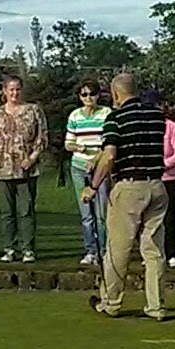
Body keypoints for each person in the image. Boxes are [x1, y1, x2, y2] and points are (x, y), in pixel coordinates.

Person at [84, 72, 168, 320]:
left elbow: (111, 154)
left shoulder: (116, 118)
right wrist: (99, 158)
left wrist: (93, 186)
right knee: (153, 250)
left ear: (116, 93)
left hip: (129, 186)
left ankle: (111, 302)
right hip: (157, 185)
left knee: (118, 249)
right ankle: (156, 306)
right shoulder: (157, 115)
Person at [0, 74, 47, 262]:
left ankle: (28, 249)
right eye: (11, 89)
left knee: (26, 210)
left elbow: (42, 138)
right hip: (3, 169)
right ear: (4, 91)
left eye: (18, 89)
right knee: (7, 212)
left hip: (27, 169)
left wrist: (32, 158)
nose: (14, 93)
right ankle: (10, 248)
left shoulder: (34, 111)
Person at [64, 78, 111, 266]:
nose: (88, 98)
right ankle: (90, 250)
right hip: (78, 167)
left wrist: (95, 159)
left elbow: (108, 143)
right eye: (84, 94)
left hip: (99, 168)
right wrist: (78, 147)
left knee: (101, 214)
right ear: (79, 97)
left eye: (92, 94)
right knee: (86, 214)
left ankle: (104, 251)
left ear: (98, 95)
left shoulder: (106, 113)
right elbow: (68, 143)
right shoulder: (75, 116)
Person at [160, 97, 175, 269]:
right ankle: (154, 252)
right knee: (152, 219)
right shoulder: (148, 127)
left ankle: (172, 253)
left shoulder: (171, 126)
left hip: (171, 179)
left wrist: (162, 164)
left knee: (170, 217)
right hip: (152, 178)